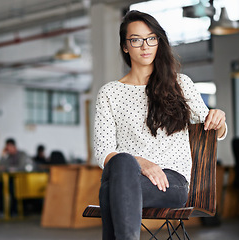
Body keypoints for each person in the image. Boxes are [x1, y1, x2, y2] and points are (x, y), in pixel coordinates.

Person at [94, 10, 227, 240]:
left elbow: (214, 129)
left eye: (151, 38)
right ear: (125, 46)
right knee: (123, 162)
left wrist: (220, 119)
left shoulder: (180, 85)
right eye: (136, 39)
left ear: (158, 42)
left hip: (171, 183)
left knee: (108, 191)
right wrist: (142, 163)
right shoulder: (110, 93)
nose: (145, 46)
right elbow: (103, 152)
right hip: (129, 176)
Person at [0, 138, 33, 216]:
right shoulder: (8, 156)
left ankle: (14, 211)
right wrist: (3, 155)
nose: (8, 150)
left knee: (12, 188)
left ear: (14, 146)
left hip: (21, 179)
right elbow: (0, 166)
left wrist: (9, 168)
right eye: (7, 148)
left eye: (9, 147)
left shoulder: (22, 154)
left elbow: (22, 167)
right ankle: (2, 210)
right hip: (9, 178)